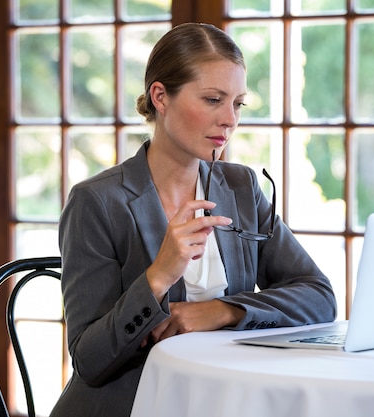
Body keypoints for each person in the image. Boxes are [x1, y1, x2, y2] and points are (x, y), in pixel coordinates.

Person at [49, 22, 337, 417]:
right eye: (213, 99)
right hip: (133, 405)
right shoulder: (96, 202)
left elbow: (318, 296)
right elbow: (90, 360)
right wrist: (158, 277)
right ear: (160, 96)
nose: (229, 120)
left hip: (223, 400)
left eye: (237, 104)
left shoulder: (241, 186)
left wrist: (222, 311)